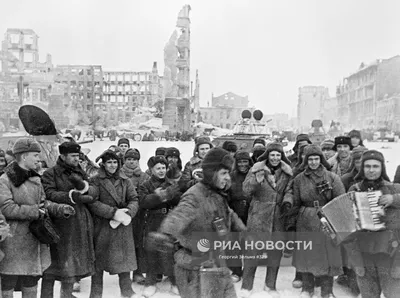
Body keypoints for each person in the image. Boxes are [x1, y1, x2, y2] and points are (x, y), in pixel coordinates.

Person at [149, 147, 246, 298]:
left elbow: (228, 214)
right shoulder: (195, 196)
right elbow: (179, 215)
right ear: (211, 173)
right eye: (224, 173)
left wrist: (243, 232)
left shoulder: (216, 194)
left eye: (228, 173)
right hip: (195, 269)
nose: (228, 177)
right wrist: (165, 235)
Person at [0, 138, 75, 298]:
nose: (38, 159)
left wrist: (59, 208)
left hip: (34, 239)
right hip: (13, 241)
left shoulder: (35, 178)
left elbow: (43, 203)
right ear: (23, 156)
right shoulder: (4, 181)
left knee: (31, 280)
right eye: (35, 155)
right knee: (9, 282)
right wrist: (36, 212)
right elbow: (7, 208)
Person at [40, 142, 97, 298]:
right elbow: (48, 193)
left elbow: (93, 188)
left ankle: (66, 295)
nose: (76, 159)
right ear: (63, 156)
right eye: (73, 156)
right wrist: (70, 196)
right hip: (60, 224)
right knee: (53, 268)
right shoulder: (50, 173)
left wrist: (86, 190)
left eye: (78, 156)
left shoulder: (80, 172)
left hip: (79, 223)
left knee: (71, 267)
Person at [239, 143, 293, 298]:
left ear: (281, 156)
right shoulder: (256, 168)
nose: (275, 158)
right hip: (258, 215)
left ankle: (270, 285)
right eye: (272, 155)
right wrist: (257, 180)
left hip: (278, 216)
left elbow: (290, 189)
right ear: (267, 156)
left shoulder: (287, 171)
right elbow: (246, 190)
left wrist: (287, 200)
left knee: (275, 253)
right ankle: (246, 287)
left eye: (278, 155)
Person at [291, 145, 345, 298]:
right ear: (306, 160)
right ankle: (307, 289)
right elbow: (296, 202)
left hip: (326, 218)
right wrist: (293, 221)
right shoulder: (299, 179)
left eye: (316, 159)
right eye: (310, 159)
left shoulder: (332, 177)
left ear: (321, 159)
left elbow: (340, 201)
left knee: (327, 254)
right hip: (305, 219)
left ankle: (326, 291)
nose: (313, 162)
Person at [346, 150, 400, 298]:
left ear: (382, 168)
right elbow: (345, 220)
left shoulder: (393, 188)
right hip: (363, 253)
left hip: (390, 254)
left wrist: (394, 199)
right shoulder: (354, 190)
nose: (371, 170)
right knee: (368, 294)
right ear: (361, 168)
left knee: (393, 294)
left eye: (375, 166)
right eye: (367, 166)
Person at [88, 150, 139, 298]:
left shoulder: (125, 181)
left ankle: (127, 291)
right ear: (103, 164)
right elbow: (92, 202)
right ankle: (96, 294)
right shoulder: (95, 181)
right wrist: (113, 213)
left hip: (123, 226)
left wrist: (128, 213)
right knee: (99, 263)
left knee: (124, 261)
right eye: (109, 162)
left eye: (115, 162)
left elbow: (134, 199)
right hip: (103, 226)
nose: (112, 165)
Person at [139, 156, 182, 297]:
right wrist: (159, 197)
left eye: (163, 168)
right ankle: (150, 282)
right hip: (152, 221)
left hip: (169, 220)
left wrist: (169, 193)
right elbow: (144, 202)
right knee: (151, 252)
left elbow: (179, 198)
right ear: (151, 170)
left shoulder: (171, 183)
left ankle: (175, 281)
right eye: (158, 168)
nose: (161, 171)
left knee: (171, 252)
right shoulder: (145, 185)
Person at [120, 148, 149, 284]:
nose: (132, 162)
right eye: (129, 159)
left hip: (139, 214)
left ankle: (137, 272)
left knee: (137, 243)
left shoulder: (143, 176)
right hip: (122, 212)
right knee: (124, 244)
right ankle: (123, 273)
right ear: (125, 160)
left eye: (135, 159)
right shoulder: (119, 175)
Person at [227, 150, 253, 283]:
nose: (243, 164)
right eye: (240, 162)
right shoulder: (230, 177)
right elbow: (225, 195)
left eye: (245, 161)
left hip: (251, 213)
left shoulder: (254, 174)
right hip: (235, 213)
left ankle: (249, 272)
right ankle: (236, 271)